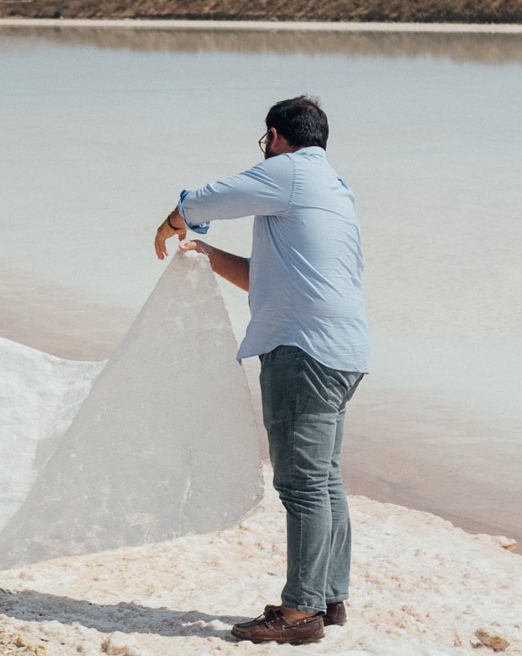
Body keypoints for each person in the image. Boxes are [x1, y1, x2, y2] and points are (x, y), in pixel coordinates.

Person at [153, 95, 368, 645]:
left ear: (275, 136)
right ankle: (327, 598)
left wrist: (172, 222)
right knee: (324, 478)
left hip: (303, 351)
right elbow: (268, 280)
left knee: (300, 486)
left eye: (263, 142)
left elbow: (208, 197)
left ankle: (299, 615)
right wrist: (205, 253)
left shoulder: (289, 173)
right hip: (342, 351)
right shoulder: (333, 190)